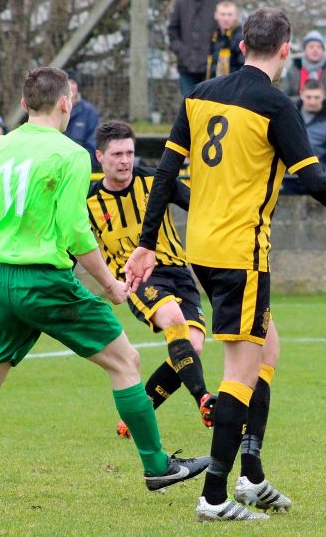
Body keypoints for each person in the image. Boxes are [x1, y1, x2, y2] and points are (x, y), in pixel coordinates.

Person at [0, 67, 210, 500]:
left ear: (22, 104)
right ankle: (157, 467)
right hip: (44, 282)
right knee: (126, 361)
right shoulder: (70, 154)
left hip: (1, 279)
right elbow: (75, 233)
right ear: (66, 103)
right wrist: (111, 285)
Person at [124, 8, 326, 521]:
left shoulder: (197, 96)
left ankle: (252, 471)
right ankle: (216, 495)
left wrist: (147, 242)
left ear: (241, 45)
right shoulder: (276, 105)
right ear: (285, 50)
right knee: (241, 367)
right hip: (242, 254)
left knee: (269, 347)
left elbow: (166, 172)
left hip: (201, 248)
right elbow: (312, 180)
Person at [85, 120, 216, 439]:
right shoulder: (88, 202)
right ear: (100, 156)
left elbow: (200, 208)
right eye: (117, 154)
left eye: (129, 152)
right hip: (137, 278)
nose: (125, 160)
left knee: (192, 347)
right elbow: (74, 246)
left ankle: (136, 416)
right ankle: (205, 398)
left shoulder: (157, 182)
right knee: (173, 319)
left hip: (179, 273)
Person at [168, 0, 227, 98]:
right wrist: (181, 51)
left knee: (210, 108)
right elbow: (172, 31)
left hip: (212, 68)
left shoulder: (221, 1)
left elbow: (229, 31)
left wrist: (216, 52)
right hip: (186, 67)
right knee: (189, 107)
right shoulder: (183, 3)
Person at [280, 30, 326, 111]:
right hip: (297, 116)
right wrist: (303, 102)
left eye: (319, 47)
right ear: (304, 50)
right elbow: (283, 97)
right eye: (311, 46)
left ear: (323, 50)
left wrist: (316, 102)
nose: (315, 50)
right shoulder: (293, 71)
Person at [64, 70, 101, 169]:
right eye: (66, 83)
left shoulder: (90, 112)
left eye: (73, 82)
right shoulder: (52, 111)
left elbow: (93, 145)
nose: (70, 87)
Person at [207, 0, 244, 79]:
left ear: (236, 16)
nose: (226, 18)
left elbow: (243, 67)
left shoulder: (240, 37)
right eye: (223, 14)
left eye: (230, 15)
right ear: (216, 16)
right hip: (214, 85)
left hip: (232, 86)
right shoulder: (214, 36)